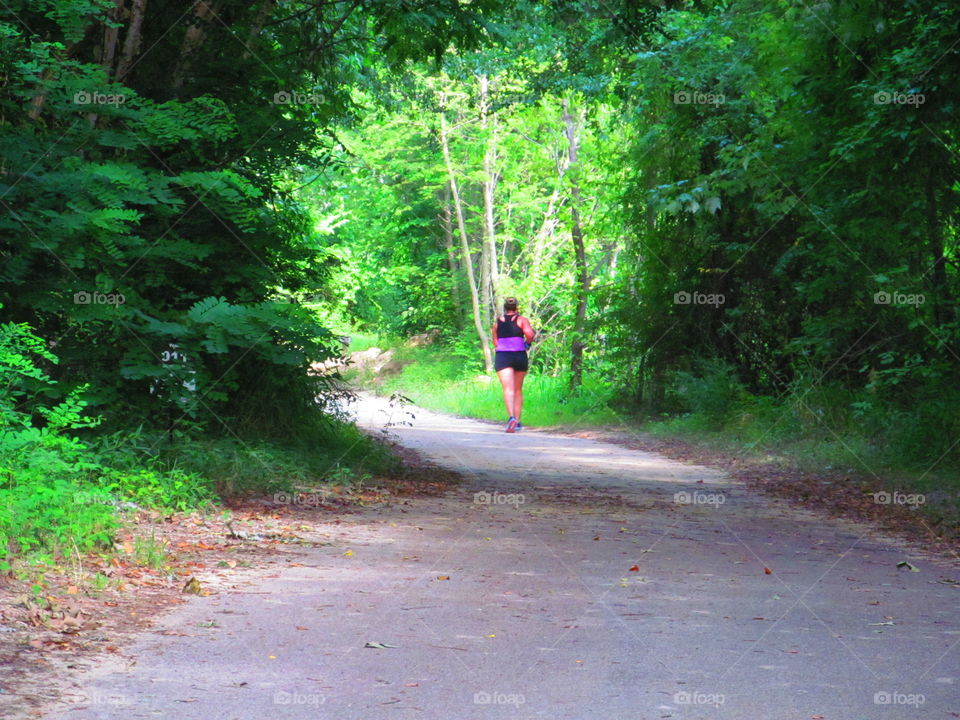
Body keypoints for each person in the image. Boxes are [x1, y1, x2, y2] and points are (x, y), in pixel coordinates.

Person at [491, 297, 535, 433]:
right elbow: (530, 334)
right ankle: (518, 421)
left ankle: (511, 418)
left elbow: (495, 342)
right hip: (519, 355)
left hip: (503, 356)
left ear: (505, 308)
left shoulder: (497, 323)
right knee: (517, 389)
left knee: (508, 389)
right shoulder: (522, 320)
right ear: (517, 308)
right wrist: (527, 344)